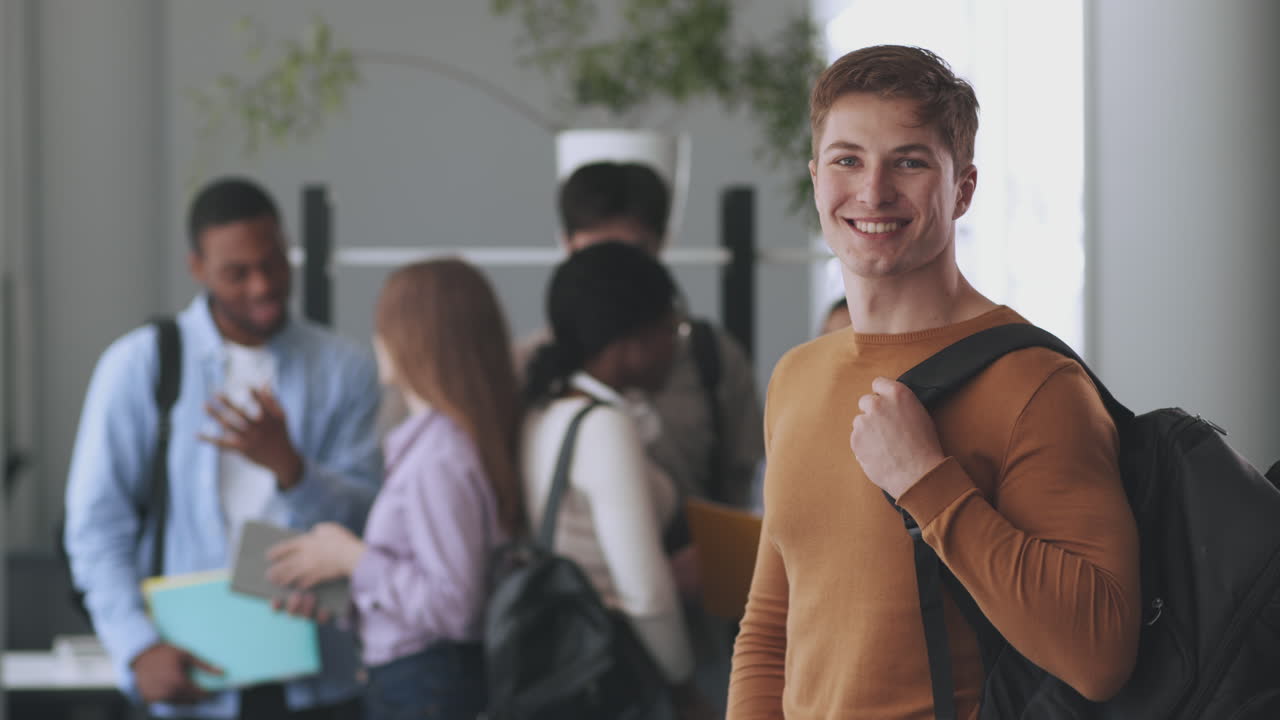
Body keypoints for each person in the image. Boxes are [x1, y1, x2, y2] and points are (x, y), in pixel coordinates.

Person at [727, 45, 1140, 719]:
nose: (873, 191)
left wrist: (926, 481)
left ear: (964, 188)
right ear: (815, 178)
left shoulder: (1036, 383)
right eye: (847, 160)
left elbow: (1100, 655)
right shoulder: (797, 378)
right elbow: (771, 627)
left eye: (910, 161)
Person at [63, 177, 381, 720]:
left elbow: (371, 521)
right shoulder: (141, 365)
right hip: (191, 677)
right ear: (197, 268)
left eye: (275, 263)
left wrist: (292, 470)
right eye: (237, 273)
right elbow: (97, 525)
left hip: (319, 679)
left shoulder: (343, 367)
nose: (262, 286)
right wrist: (136, 646)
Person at [266, 259, 520, 720]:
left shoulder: (441, 457)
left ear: (415, 338)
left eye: (385, 325)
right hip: (416, 679)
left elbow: (455, 606)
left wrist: (353, 559)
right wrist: (341, 585)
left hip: (426, 683)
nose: (376, 340)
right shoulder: (439, 445)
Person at [521, 242, 714, 720]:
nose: (677, 344)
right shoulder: (604, 426)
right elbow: (644, 592)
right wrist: (685, 686)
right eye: (674, 329)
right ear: (636, 339)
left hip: (565, 660)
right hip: (612, 670)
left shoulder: (545, 408)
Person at [520, 161, 765, 510]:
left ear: (661, 245)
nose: (616, 274)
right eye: (596, 254)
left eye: (633, 253)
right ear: (567, 246)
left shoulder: (711, 356)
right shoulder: (533, 363)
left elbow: (750, 480)